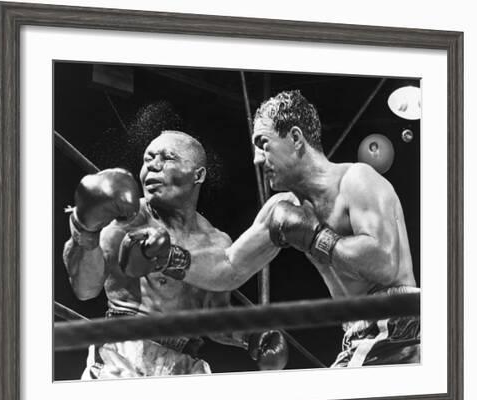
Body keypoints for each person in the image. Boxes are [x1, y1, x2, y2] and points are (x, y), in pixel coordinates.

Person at [173, 91, 420, 368]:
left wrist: (316, 237)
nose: (256, 159)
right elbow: (228, 268)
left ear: (295, 138)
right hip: (356, 335)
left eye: (263, 144)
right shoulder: (282, 207)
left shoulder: (357, 179)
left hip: (400, 329)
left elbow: (384, 264)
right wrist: (169, 257)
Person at [62, 130, 288, 379]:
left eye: (166, 158)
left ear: (198, 175)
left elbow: (212, 317)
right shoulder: (127, 219)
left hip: (184, 364)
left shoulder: (216, 241)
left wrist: (250, 336)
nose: (153, 167)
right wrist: (84, 230)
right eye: (148, 160)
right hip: (123, 352)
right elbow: (85, 289)